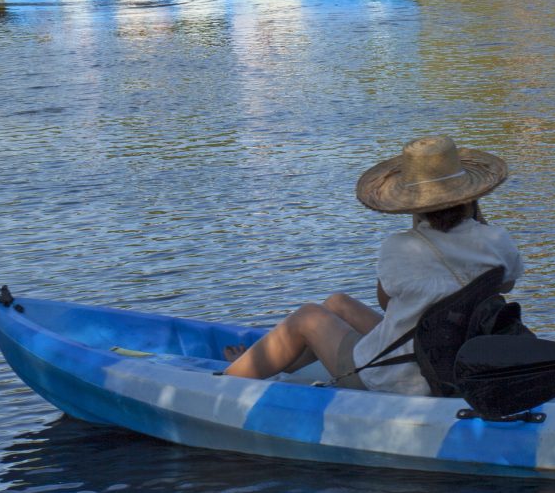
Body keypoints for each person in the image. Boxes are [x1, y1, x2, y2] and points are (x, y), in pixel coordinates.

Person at [224, 135, 523, 392]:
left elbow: (385, 303)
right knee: (337, 302)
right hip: (450, 353)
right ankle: (279, 365)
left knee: (308, 316)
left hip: (401, 376)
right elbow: (505, 282)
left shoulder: (401, 247)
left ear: (412, 205)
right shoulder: (497, 240)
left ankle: (229, 380)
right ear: (470, 196)